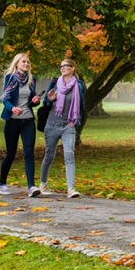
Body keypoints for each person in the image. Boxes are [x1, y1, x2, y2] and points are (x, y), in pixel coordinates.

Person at [39, 59, 85, 199]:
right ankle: (43, 183)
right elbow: (46, 102)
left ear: (73, 68)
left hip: (68, 125)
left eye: (66, 65)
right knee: (49, 155)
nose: (63, 68)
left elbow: (82, 105)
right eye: (61, 66)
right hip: (52, 124)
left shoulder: (79, 85)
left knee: (69, 155)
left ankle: (71, 188)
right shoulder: (55, 83)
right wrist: (51, 99)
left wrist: (76, 122)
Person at [0, 53, 42, 197]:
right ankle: (2, 183)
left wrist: (36, 101)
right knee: (10, 154)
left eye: (28, 62)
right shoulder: (10, 78)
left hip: (28, 120)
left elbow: (32, 100)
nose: (26, 64)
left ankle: (31, 187)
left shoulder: (31, 79)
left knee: (29, 152)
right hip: (12, 120)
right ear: (17, 63)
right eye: (23, 62)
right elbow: (5, 98)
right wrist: (12, 108)